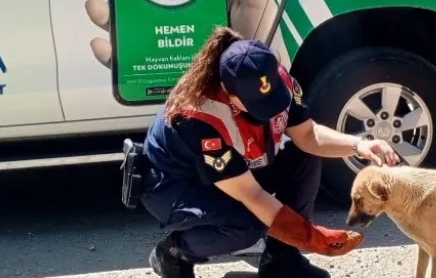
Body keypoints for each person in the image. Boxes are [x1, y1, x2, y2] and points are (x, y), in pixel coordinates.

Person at [139, 26, 401, 278]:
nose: (268, 108)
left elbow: (308, 136)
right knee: (249, 224)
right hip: (176, 184)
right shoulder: (199, 116)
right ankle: (173, 252)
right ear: (227, 91)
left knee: (304, 156)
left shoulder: (272, 78)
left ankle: (281, 261)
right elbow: (251, 194)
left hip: (233, 170)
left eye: (271, 96)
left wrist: (359, 145)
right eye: (256, 103)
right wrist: (310, 237)